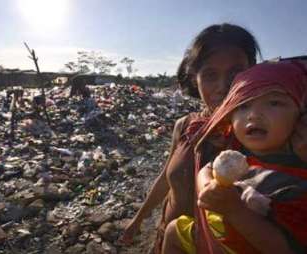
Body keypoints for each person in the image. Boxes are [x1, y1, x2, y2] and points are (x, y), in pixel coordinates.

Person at [121, 23, 307, 254]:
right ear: (195, 79)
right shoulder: (187, 127)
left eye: (236, 73)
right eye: (210, 75)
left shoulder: (269, 136)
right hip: (175, 237)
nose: (223, 86)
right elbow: (166, 179)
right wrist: (138, 220)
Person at [162, 61, 307, 254]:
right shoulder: (238, 153)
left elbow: (285, 248)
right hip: (216, 237)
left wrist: (235, 210)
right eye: (243, 106)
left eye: (274, 103)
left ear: (301, 116)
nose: (254, 115)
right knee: (173, 231)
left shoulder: (295, 181)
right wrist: (207, 187)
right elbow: (207, 169)